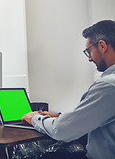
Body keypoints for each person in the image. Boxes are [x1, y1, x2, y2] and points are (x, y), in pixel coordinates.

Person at [22, 20, 115, 159]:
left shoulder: (108, 86)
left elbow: (61, 131)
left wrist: (34, 118)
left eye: (89, 51)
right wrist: (61, 117)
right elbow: (95, 116)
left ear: (102, 46)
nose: (89, 58)